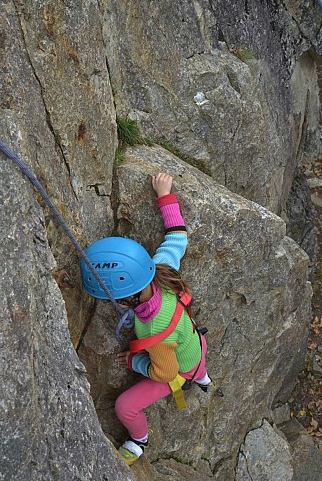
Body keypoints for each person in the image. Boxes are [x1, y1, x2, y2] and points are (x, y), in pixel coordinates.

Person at [81, 173, 213, 466]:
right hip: (194, 344)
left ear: (127, 298)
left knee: (125, 406)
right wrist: (165, 194)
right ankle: (203, 377)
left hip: (176, 366)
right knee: (195, 359)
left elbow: (166, 373)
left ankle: (139, 439)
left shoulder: (155, 327)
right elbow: (177, 235)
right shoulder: (160, 269)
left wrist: (133, 362)